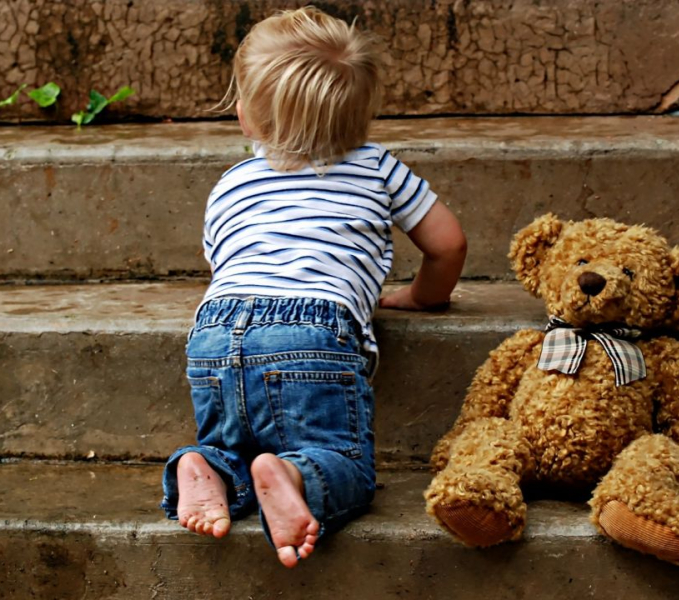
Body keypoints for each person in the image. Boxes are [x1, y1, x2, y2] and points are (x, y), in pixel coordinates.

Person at [160, 6, 467, 568]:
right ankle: (297, 474)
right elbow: (447, 244)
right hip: (313, 331)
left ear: (249, 116)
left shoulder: (231, 183)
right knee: (343, 459)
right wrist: (424, 296)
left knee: (233, 443)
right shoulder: (377, 166)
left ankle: (203, 465)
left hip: (215, 328)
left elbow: (224, 261)